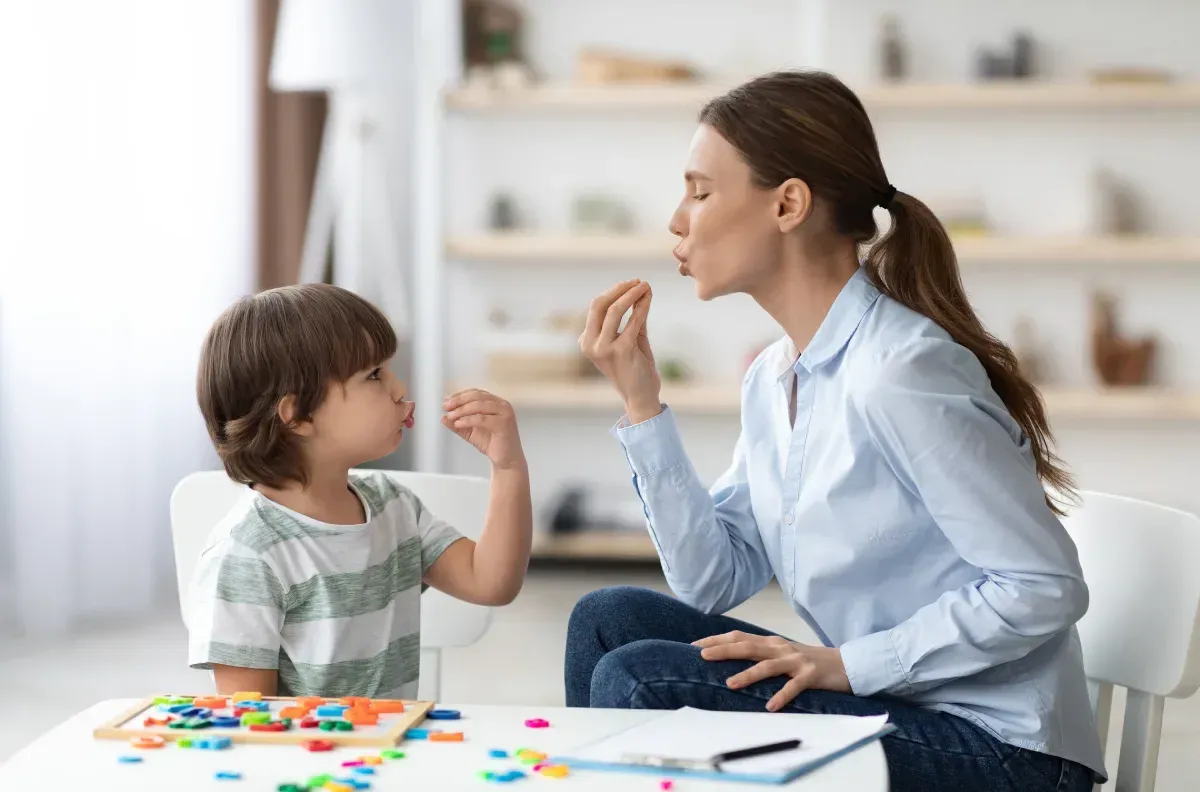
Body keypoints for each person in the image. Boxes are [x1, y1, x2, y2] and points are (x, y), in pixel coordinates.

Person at [567, 71, 1105, 792]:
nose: (676, 219)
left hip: (1003, 749)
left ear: (788, 204)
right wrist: (641, 404)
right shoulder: (772, 378)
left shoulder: (902, 372)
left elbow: (1044, 587)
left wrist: (848, 666)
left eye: (700, 191)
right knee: (606, 622)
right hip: (896, 706)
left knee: (641, 678)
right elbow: (712, 579)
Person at [188, 283, 532, 698]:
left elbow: (490, 581)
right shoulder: (247, 554)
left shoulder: (394, 507)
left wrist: (508, 465)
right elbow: (247, 720)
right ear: (297, 415)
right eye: (374, 375)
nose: (399, 388)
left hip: (393, 754)